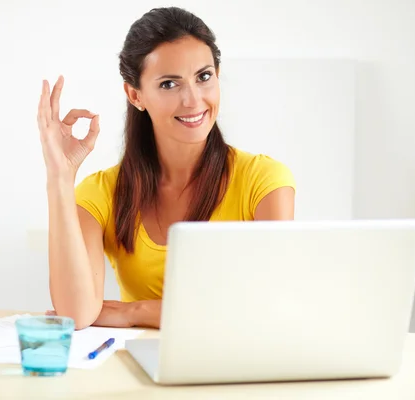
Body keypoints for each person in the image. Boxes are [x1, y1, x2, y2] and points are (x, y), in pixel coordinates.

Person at [37, 7, 296, 330]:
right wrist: (60, 177)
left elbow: (268, 307)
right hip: (141, 366)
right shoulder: (100, 193)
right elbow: (76, 314)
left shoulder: (265, 181)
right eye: (169, 84)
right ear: (135, 95)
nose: (193, 100)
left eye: (204, 77)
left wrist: (135, 312)